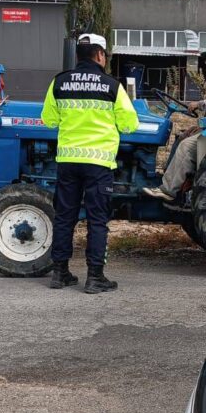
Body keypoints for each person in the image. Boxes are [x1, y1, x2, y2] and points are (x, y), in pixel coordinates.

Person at [41, 33, 138, 294]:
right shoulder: (111, 86)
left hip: (68, 161)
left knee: (64, 217)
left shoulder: (59, 83)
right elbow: (130, 124)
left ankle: (59, 274)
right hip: (98, 163)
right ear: (99, 55)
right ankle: (95, 277)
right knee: (97, 221)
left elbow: (49, 120)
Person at [141, 48, 206, 201]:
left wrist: (200, 104)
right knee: (182, 136)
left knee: (187, 147)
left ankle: (168, 190)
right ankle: (169, 178)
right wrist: (200, 125)